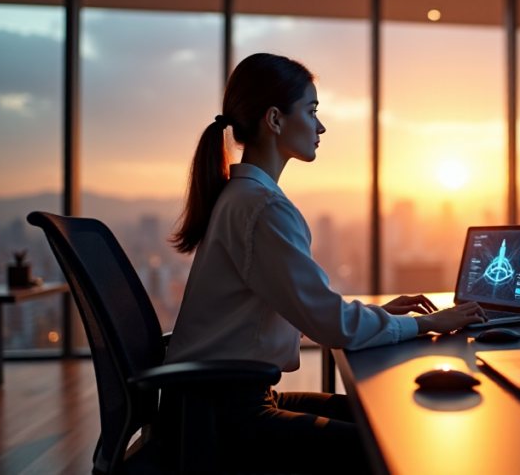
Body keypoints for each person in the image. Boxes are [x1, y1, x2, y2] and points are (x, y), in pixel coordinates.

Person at [159, 53, 487, 474]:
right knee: (394, 446)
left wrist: (380, 316)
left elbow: (305, 309)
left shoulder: (239, 197)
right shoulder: (262, 208)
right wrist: (427, 324)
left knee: (383, 418)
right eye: (312, 111)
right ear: (275, 120)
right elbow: (330, 325)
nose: (321, 126)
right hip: (222, 420)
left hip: (207, 405)